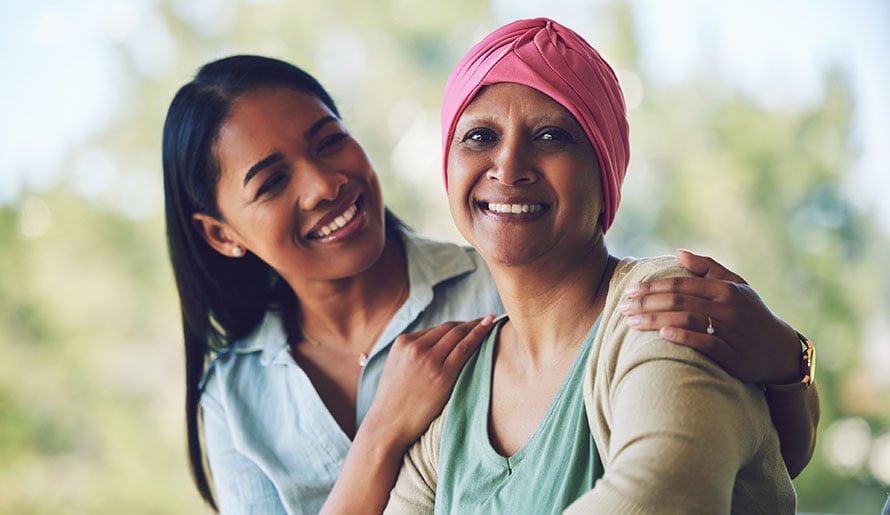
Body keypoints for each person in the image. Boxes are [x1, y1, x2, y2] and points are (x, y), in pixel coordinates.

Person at [161, 54, 818, 514]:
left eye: (330, 142)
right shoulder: (233, 394)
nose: (324, 184)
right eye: (273, 181)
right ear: (222, 234)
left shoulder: (515, 275)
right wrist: (384, 430)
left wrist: (790, 361)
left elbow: (733, 462)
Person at [368, 18, 819, 513]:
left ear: (604, 172)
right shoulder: (454, 386)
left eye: (550, 136)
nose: (509, 166)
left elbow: (660, 497)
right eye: (479, 136)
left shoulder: (666, 306)